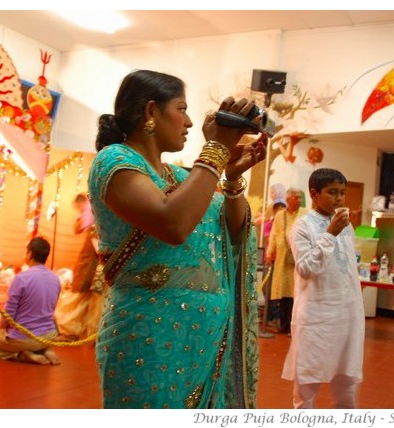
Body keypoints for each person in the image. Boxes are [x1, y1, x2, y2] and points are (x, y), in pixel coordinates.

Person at [88, 69, 267, 408]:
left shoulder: (181, 175)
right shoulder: (114, 160)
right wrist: (215, 149)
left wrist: (230, 179)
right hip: (148, 338)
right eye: (182, 108)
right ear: (151, 112)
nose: (188, 122)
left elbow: (231, 231)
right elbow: (173, 223)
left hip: (204, 339)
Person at [281, 168, 365, 408]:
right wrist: (330, 234)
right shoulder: (301, 227)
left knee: (347, 387)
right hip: (316, 317)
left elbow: (347, 268)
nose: (339, 199)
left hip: (347, 315)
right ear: (314, 194)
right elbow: (306, 269)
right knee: (307, 389)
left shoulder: (346, 226)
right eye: (332, 192)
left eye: (342, 193)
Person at [0, 236, 62, 365]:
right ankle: (45, 350)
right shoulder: (55, 279)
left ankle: (19, 354)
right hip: (49, 335)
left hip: (24, 337)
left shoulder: (21, 278)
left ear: (30, 254)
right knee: (36, 341)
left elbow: (9, 313)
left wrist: (1, 326)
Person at [54, 193, 107, 341]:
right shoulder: (94, 212)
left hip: (95, 260)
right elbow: (77, 229)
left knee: (85, 295)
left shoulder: (97, 213)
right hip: (96, 259)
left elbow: (87, 234)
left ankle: (72, 331)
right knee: (91, 295)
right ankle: (93, 333)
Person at [265, 187, 307, 334]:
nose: (299, 200)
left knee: (296, 294)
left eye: (300, 198)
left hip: (298, 259)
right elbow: (274, 236)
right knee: (283, 294)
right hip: (283, 259)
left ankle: (293, 327)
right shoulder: (280, 215)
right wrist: (269, 254)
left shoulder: (305, 214)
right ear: (289, 199)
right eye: (297, 197)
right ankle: (283, 326)